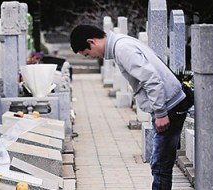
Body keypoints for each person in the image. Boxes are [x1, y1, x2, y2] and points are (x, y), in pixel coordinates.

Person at [70, 25, 189, 190]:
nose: (92, 58)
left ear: (92, 42)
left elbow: (151, 79)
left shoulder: (122, 48)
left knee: (160, 165)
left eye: (88, 54)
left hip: (169, 105)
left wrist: (161, 113)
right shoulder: (121, 42)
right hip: (169, 103)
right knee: (160, 163)